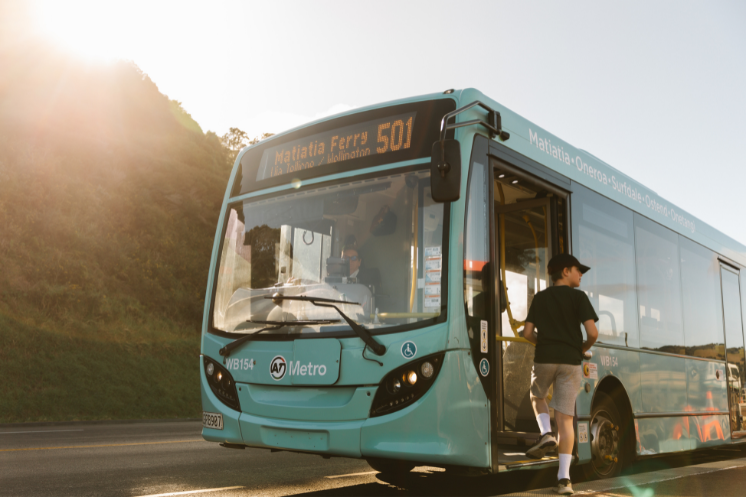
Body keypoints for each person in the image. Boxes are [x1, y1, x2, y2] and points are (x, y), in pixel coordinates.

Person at [521, 253, 599, 495]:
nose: (581, 274)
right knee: (565, 420)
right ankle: (564, 479)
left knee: (537, 395)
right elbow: (593, 333)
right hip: (571, 362)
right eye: (578, 270)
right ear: (565, 271)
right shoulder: (579, 297)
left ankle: (545, 433)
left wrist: (542, 343)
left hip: (544, 358)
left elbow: (526, 333)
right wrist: (581, 348)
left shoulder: (540, 298)